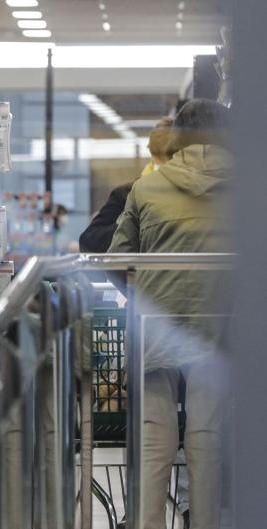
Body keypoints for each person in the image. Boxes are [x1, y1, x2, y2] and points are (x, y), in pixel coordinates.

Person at [108, 99, 232, 529]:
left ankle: (147, 523)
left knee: (151, 436)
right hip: (221, 324)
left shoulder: (147, 188)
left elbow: (117, 257)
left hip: (154, 324)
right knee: (207, 435)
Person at [80, 117, 174, 253]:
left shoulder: (196, 193)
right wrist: (131, 222)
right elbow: (90, 241)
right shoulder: (126, 194)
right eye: (161, 155)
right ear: (152, 156)